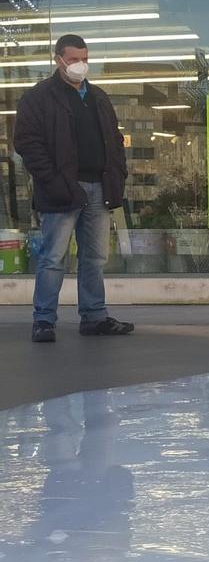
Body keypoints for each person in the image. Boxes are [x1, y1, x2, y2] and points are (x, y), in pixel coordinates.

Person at [14, 34, 133, 343]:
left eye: (85, 58)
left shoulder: (98, 97)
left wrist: (118, 174)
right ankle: (44, 320)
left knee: (95, 258)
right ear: (58, 60)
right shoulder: (38, 98)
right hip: (62, 190)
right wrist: (53, 181)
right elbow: (27, 143)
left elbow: (115, 140)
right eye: (74, 59)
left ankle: (94, 316)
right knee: (54, 258)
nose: (81, 65)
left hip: (99, 187)